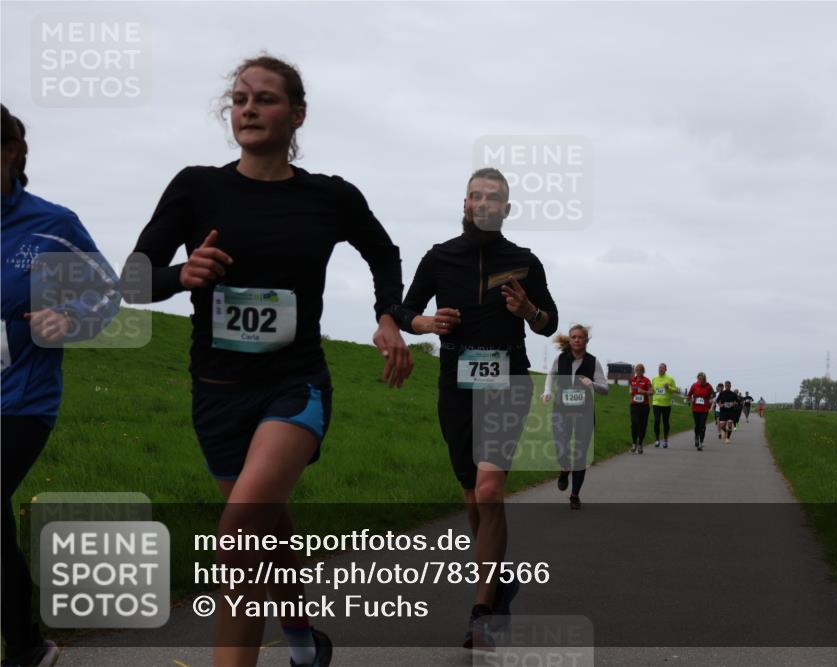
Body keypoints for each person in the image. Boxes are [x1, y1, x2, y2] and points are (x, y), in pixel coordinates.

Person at [123, 56, 412, 667]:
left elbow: (383, 253)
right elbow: (132, 279)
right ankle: (304, 642)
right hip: (217, 391)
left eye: (265, 99)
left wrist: (388, 316)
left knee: (238, 537)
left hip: (294, 384)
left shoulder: (329, 197)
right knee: (268, 536)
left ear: (298, 113)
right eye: (239, 99)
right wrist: (179, 274)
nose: (249, 109)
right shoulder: (197, 186)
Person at [391, 167, 558, 650]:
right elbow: (404, 311)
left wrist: (528, 312)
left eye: (492, 198)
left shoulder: (525, 262)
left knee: (489, 490)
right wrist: (426, 322)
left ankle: (482, 612)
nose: (482, 204)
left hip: (508, 380)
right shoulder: (440, 257)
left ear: (506, 210)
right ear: (464, 205)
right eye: (474, 197)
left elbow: (550, 323)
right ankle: (498, 580)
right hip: (455, 384)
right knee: (472, 496)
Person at [2, 104, 121, 667]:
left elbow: (107, 291)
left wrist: (69, 318)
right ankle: (26, 646)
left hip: (20, 401)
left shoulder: (51, 225)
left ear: (11, 153)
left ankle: (25, 645)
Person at [541, 325, 608, 509]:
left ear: (586, 340)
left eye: (580, 337)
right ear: (569, 340)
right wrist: (547, 391)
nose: (577, 340)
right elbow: (551, 375)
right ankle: (564, 470)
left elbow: (605, 389)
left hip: (583, 413)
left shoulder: (593, 362)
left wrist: (592, 384)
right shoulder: (561, 358)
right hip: (561, 410)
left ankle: (574, 495)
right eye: (573, 337)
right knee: (561, 447)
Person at [686, 373, 715, 451]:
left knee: (702, 426)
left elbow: (713, 395)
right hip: (695, 409)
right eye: (699, 379)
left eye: (701, 379)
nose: (700, 380)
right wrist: (690, 399)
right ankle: (696, 437)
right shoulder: (694, 385)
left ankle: (701, 443)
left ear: (704, 379)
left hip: (704, 409)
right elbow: (689, 395)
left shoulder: (708, 386)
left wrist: (711, 400)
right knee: (697, 425)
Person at [651, 362, 677, 448]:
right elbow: (652, 389)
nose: (660, 369)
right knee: (657, 421)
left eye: (662, 368)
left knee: (665, 422)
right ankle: (657, 439)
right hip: (656, 403)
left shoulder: (670, 379)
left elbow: (675, 390)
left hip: (666, 404)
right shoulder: (654, 379)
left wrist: (668, 387)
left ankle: (665, 439)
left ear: (665, 369)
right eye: (659, 368)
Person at [629, 364, 652, 454]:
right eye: (637, 370)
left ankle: (640, 444)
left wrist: (644, 392)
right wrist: (631, 392)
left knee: (643, 425)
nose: (638, 372)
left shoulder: (646, 381)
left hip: (644, 407)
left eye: (640, 370)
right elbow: (630, 390)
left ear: (643, 371)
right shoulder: (632, 380)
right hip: (634, 405)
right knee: (634, 423)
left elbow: (651, 392)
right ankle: (634, 443)